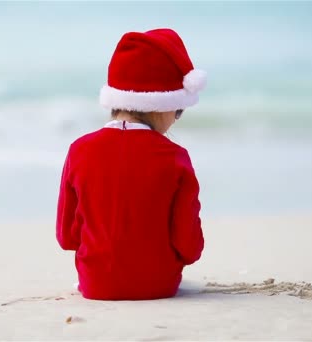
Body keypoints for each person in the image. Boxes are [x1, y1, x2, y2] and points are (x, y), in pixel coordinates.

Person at [56, 28, 206, 300]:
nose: (175, 119)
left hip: (96, 286)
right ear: (162, 105)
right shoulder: (176, 157)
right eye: (178, 110)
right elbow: (190, 246)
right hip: (159, 285)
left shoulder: (79, 151)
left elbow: (67, 236)